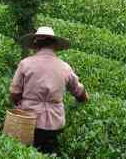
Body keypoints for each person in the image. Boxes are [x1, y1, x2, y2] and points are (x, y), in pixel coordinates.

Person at [9, 27, 89, 155]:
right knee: (49, 153)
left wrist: (18, 103)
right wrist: (84, 99)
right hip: (55, 122)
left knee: (25, 153)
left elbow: (14, 92)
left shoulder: (26, 64)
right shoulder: (64, 67)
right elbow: (79, 91)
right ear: (54, 45)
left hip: (29, 119)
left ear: (36, 45)